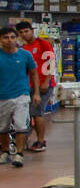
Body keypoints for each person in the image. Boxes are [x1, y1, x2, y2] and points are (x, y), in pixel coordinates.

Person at [0, 26, 38, 167]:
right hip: (2, 97)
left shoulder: (25, 55)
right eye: (5, 37)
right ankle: (5, 152)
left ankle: (19, 154)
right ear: (1, 40)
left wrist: (36, 93)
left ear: (16, 39)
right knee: (2, 127)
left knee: (21, 126)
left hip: (21, 95)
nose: (9, 40)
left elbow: (34, 73)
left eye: (12, 37)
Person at [15, 20, 55, 152]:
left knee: (37, 113)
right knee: (31, 114)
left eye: (26, 31)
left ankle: (41, 141)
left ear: (32, 31)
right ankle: (30, 139)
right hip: (30, 85)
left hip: (44, 85)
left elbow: (51, 62)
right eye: (21, 33)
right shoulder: (24, 49)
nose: (24, 34)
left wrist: (47, 81)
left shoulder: (43, 44)